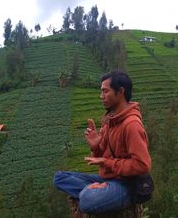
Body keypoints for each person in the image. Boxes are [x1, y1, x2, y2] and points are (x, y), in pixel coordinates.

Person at [53, 71, 151, 214]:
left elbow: (142, 165)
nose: (101, 96)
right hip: (107, 178)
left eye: (105, 91)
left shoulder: (132, 125)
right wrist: (95, 147)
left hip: (126, 184)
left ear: (120, 92)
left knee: (87, 200)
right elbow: (103, 154)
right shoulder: (109, 120)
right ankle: (99, 191)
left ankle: (98, 193)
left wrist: (107, 163)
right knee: (59, 177)